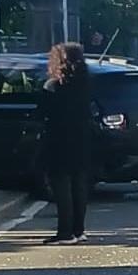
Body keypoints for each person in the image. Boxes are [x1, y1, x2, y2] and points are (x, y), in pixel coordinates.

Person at [39, 43, 93, 245]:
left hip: (59, 141)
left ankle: (65, 232)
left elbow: (42, 113)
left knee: (62, 188)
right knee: (79, 185)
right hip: (82, 140)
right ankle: (79, 230)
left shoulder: (52, 86)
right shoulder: (86, 83)